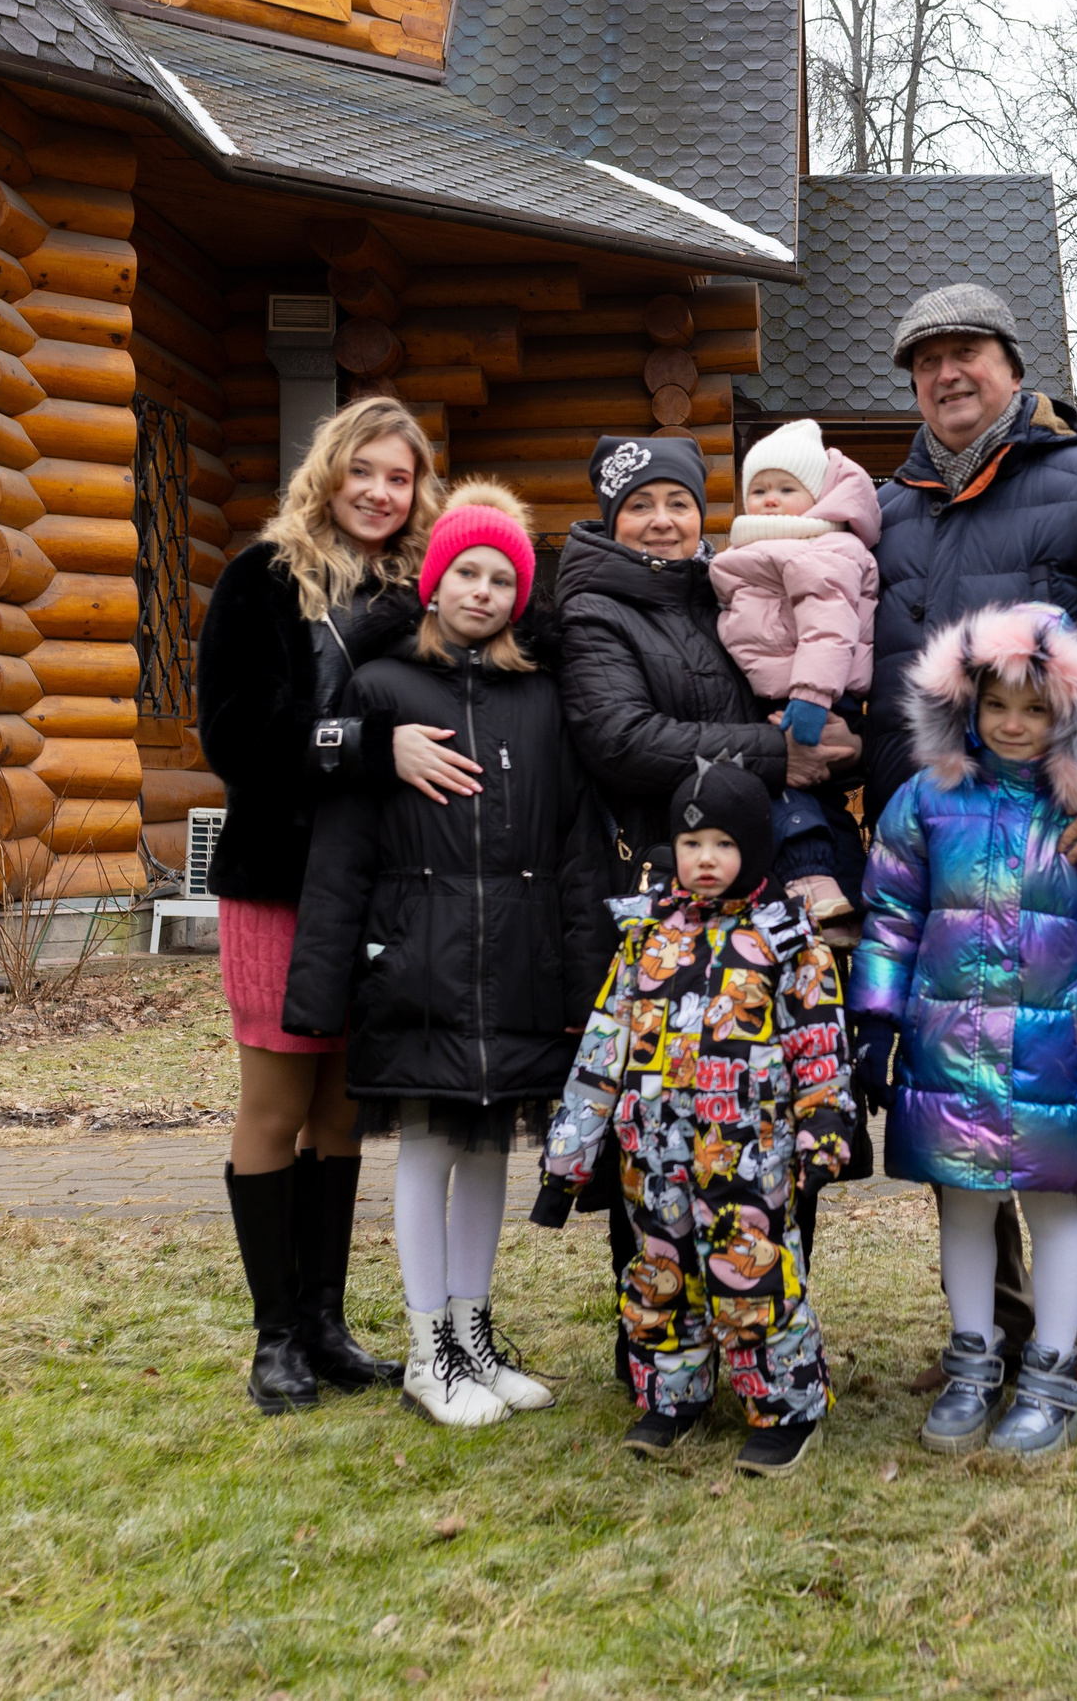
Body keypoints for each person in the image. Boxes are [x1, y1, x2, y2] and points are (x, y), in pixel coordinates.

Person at [864, 283, 1077, 1420]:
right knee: (961, 1096)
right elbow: (881, 678)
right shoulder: (896, 509)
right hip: (950, 843)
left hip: (1066, 834)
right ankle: (988, 1335)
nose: (947, 376)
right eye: (925, 362)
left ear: (1014, 366)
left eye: (967, 355)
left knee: (1064, 1095)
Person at [283, 481, 605, 1428]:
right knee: (427, 1146)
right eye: (465, 570)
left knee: (492, 1147)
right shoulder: (384, 690)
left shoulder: (541, 698)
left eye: (503, 578)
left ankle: (473, 1334)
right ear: (432, 581)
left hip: (519, 965)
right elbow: (341, 853)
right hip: (414, 963)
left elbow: (576, 851)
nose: (482, 590)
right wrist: (323, 983)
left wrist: (586, 981)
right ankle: (428, 1348)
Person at [196, 395, 486, 1413]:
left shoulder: (419, 598)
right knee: (276, 1104)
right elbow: (234, 737)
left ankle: (325, 1322)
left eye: (398, 477)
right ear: (329, 472)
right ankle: (273, 1337)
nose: (378, 491)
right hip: (277, 882)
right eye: (363, 469)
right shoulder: (264, 579)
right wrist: (365, 748)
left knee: (340, 1112)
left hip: (375, 888)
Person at [556, 435, 868, 1302]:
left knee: (768, 1106)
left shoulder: (733, 583)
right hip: (660, 895)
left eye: (679, 503)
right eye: (640, 506)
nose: (662, 521)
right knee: (657, 1112)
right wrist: (777, 753)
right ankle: (659, 1331)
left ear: (704, 511)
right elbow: (623, 741)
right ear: (614, 519)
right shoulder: (594, 611)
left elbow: (803, 680)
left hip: (761, 899)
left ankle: (768, 1316)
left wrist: (839, 742)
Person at [854, 604, 1077, 1461]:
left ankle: (1054, 1370)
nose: (1015, 725)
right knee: (965, 1203)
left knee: (1055, 1205)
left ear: (1066, 710)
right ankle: (973, 1358)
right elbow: (889, 916)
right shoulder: (926, 799)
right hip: (947, 1048)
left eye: (1034, 707)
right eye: (998, 706)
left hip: (1054, 1052)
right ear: (968, 706)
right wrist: (874, 1020)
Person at [540, 758, 855, 1478]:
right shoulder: (646, 938)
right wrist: (568, 1158)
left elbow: (820, 1045)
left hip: (749, 1154)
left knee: (752, 1276)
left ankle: (784, 1406)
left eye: (722, 843)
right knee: (659, 1273)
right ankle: (673, 1394)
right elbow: (603, 1047)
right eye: (690, 844)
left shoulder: (787, 940)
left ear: (754, 849)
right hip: (652, 1151)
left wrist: (825, 1128)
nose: (705, 859)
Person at [709, 418, 881, 922]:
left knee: (780, 783)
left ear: (819, 497)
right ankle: (844, 899)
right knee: (826, 804)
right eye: (758, 489)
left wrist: (810, 697)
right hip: (792, 684)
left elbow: (829, 626)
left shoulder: (819, 548)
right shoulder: (768, 548)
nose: (769, 499)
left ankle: (810, 883)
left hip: (807, 693)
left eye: (786, 488)